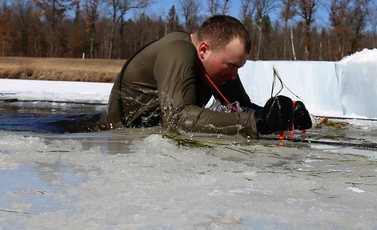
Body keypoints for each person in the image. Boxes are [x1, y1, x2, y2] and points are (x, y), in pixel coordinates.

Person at [99, 15, 313, 138]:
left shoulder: (218, 71)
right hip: (115, 137)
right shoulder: (178, 50)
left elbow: (239, 107)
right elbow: (177, 119)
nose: (234, 76)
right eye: (231, 66)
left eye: (239, 68)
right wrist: (258, 123)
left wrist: (284, 116)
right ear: (203, 50)